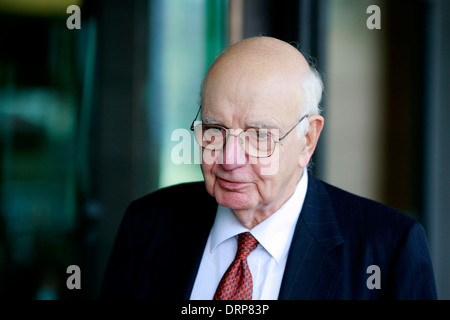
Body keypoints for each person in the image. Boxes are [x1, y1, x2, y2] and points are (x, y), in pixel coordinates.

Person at [100, 36, 437, 300]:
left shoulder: (388, 248)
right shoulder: (146, 224)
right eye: (215, 130)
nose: (230, 159)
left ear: (308, 139)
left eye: (259, 136)